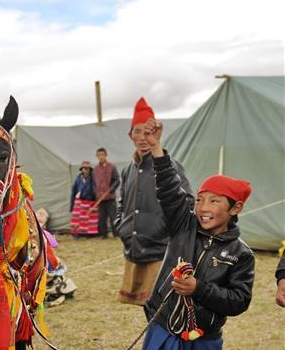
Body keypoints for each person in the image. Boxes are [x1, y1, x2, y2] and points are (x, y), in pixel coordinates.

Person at [125, 118, 254, 350]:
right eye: (200, 199)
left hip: (204, 341)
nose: (204, 207)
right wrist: (157, 149)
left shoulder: (241, 255)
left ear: (235, 208)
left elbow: (239, 302)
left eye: (215, 201)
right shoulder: (184, 226)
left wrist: (200, 289)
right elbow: (168, 188)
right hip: (166, 332)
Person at [115, 97, 193, 305]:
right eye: (137, 131)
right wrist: (120, 226)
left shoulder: (170, 166)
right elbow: (121, 202)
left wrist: (165, 228)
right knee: (146, 312)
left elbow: (188, 204)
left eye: (146, 132)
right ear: (130, 134)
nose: (142, 137)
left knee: (163, 309)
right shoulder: (127, 170)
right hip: (134, 248)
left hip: (162, 250)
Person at [92, 147, 120, 238]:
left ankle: (116, 234)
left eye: (102, 155)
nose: (101, 157)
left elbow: (117, 180)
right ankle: (104, 235)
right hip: (100, 198)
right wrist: (95, 192)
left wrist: (111, 190)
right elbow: (93, 183)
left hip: (110, 197)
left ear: (106, 155)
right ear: (97, 156)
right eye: (99, 155)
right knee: (101, 218)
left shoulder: (112, 167)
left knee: (113, 217)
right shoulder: (95, 169)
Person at [69, 161, 98, 237]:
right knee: (77, 219)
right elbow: (74, 191)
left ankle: (90, 234)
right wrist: (72, 205)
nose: (85, 170)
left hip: (90, 201)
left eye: (87, 169)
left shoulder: (93, 179)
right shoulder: (78, 178)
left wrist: (95, 198)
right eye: (84, 168)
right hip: (79, 201)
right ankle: (77, 233)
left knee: (90, 219)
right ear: (81, 169)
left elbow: (95, 189)